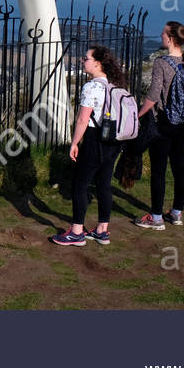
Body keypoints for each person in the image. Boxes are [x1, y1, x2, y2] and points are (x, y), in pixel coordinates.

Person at [51, 46, 129, 247]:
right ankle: (102, 230)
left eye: (86, 58)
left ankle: (77, 231)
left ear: (97, 63)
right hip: (113, 140)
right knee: (104, 184)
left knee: (80, 184)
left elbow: (83, 120)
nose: (82, 61)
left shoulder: (92, 87)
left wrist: (75, 143)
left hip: (95, 139)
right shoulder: (116, 86)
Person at [134, 21, 184, 229]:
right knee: (180, 166)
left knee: (159, 170)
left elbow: (153, 95)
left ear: (170, 39)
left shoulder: (162, 63)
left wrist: (138, 115)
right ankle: (177, 212)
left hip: (164, 121)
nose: (160, 36)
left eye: (163, 34)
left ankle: (156, 217)